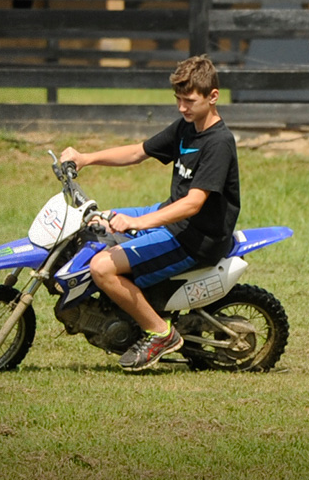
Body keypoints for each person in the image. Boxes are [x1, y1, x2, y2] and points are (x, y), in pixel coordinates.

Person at [59, 55, 241, 371]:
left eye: (189, 101)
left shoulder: (219, 142)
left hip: (196, 238)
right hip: (173, 218)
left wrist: (137, 222)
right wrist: (86, 157)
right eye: (178, 100)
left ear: (213, 97)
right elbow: (138, 152)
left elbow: (193, 203)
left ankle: (160, 333)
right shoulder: (187, 128)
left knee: (103, 268)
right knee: (99, 222)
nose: (182, 108)